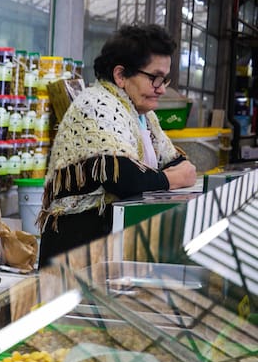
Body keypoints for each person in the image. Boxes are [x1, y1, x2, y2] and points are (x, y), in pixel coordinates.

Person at [37, 24, 197, 266]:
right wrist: (172, 178)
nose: (162, 89)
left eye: (165, 79)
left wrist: (169, 174)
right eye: (155, 78)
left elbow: (177, 162)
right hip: (76, 250)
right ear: (121, 75)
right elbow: (124, 178)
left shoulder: (142, 114)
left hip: (108, 247)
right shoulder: (96, 106)